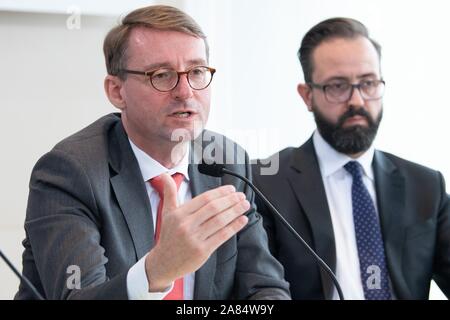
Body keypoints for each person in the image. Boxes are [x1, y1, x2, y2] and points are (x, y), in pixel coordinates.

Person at [15, 5, 290, 300]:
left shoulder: (225, 161)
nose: (185, 91)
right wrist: (157, 271)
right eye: (162, 75)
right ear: (116, 91)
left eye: (196, 72)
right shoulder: (71, 172)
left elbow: (264, 288)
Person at [253, 18, 450, 300]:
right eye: (337, 86)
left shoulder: (425, 185)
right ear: (307, 95)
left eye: (368, 83)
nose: (357, 101)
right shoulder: (267, 183)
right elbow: (259, 292)